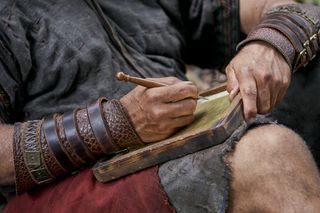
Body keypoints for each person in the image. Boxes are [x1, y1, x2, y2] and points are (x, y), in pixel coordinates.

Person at [0, 0, 319, 212]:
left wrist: (271, 41)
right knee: (266, 154)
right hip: (68, 190)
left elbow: (287, 9)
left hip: (175, 153)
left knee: (306, 62)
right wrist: (116, 123)